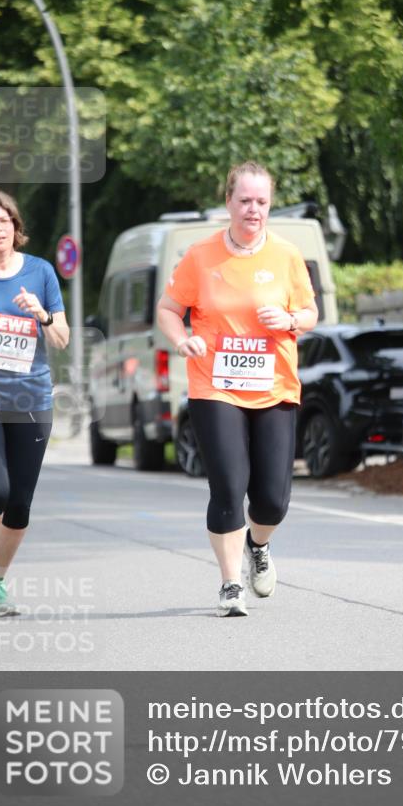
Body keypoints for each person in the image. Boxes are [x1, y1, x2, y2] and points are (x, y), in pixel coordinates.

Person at [157, 161, 318, 616]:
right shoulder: (200, 256)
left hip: (274, 386)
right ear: (228, 202)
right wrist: (181, 337)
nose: (253, 210)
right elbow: (169, 308)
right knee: (228, 486)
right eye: (244, 200)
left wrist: (289, 320)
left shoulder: (286, 256)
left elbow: (309, 313)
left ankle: (258, 544)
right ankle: (230, 584)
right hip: (215, 385)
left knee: (272, 499)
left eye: (262, 202)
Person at [0, 191, 69, 618]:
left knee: (19, 503)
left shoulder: (40, 272)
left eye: (3, 221)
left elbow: (62, 338)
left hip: (30, 399)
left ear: (15, 228)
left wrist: (42, 314)